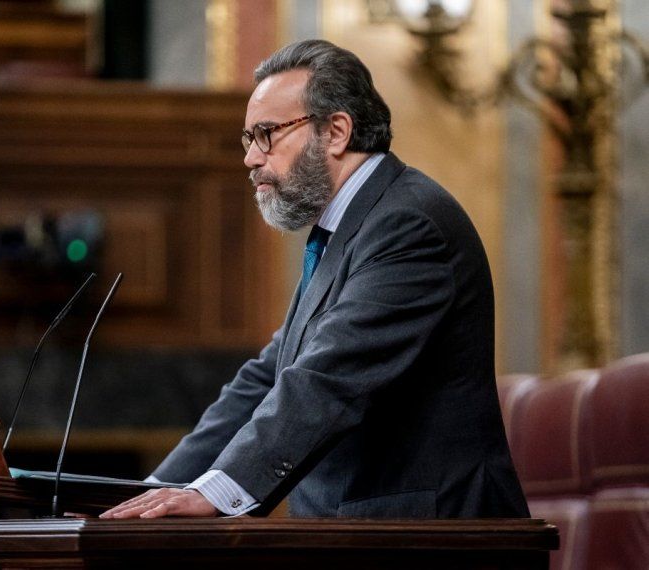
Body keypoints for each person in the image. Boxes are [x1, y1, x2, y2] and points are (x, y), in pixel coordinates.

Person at [101, 39, 529, 520]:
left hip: (435, 537)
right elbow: (270, 378)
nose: (251, 159)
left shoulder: (408, 224)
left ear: (336, 132)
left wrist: (218, 493)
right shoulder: (350, 226)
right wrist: (152, 490)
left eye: (267, 134)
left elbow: (328, 380)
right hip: (364, 534)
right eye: (248, 139)